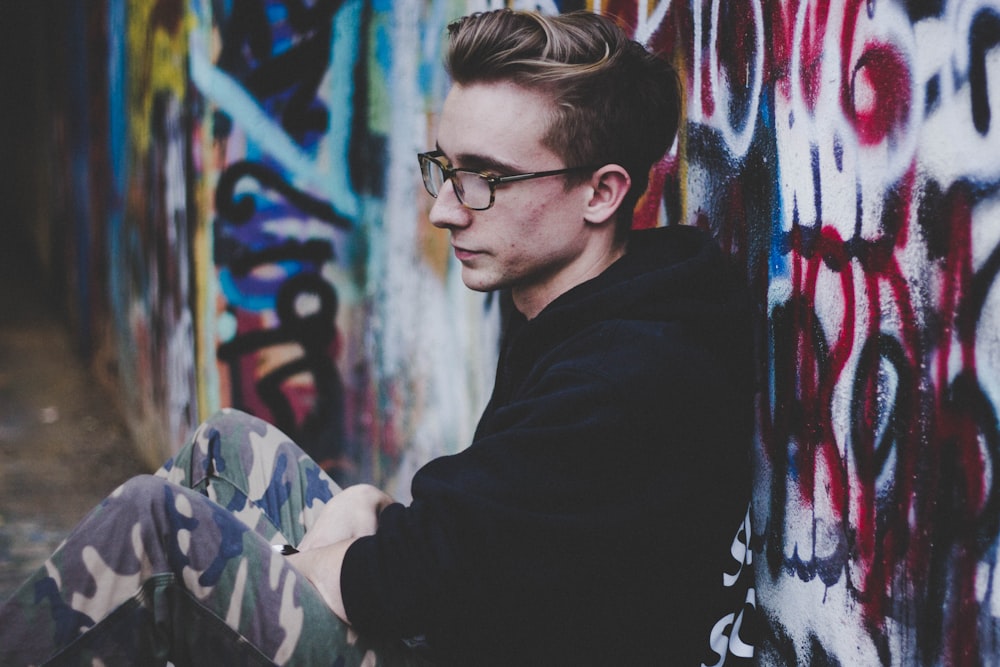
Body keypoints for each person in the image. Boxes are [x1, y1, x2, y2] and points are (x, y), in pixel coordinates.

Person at [0, 8, 755, 666]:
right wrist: (367, 509)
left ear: (602, 192)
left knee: (156, 531)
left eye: (484, 179)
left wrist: (319, 557)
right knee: (230, 450)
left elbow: (409, 580)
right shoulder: (582, 306)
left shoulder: (631, 376)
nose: (445, 212)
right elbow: (495, 531)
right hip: (486, 623)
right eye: (445, 170)